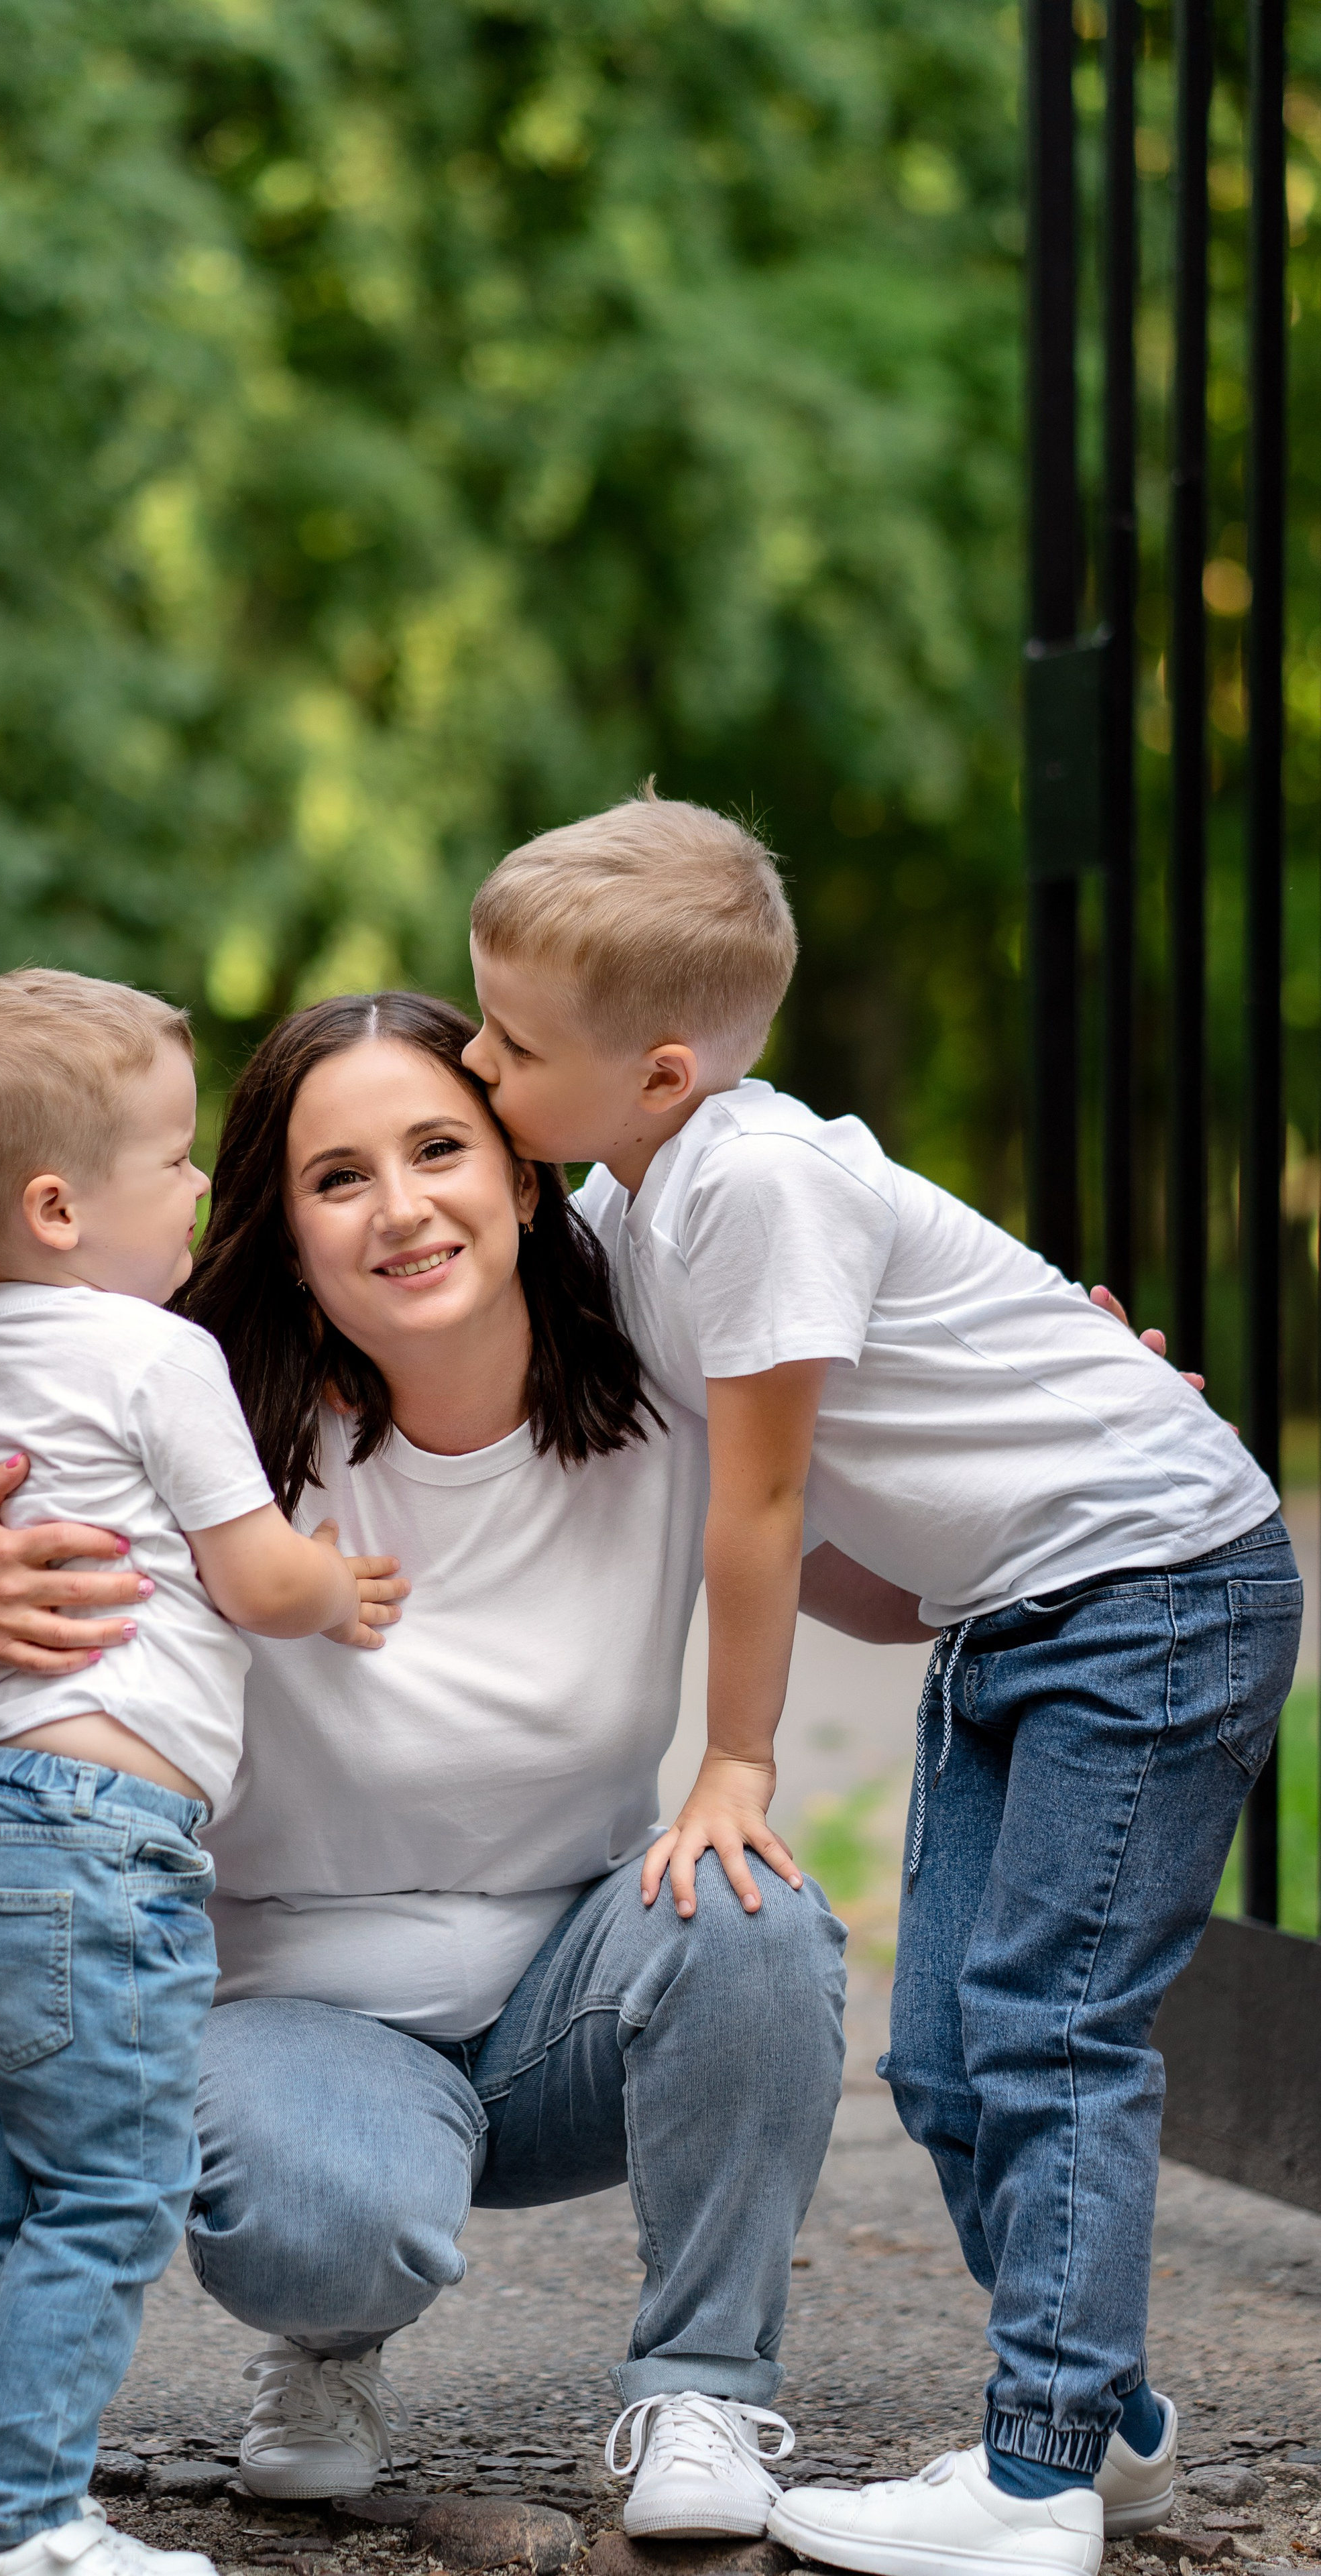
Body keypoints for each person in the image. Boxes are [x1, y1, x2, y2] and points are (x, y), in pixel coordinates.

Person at [0, 989, 909, 2547]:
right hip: (289, 2013)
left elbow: (884, 1577)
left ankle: (699, 2389)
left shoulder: (668, 1390)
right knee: (326, 2218)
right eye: (337, 1174)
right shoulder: (183, 1406)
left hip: (566, 1990)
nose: (401, 1205)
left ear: (521, 1173)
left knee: (752, 1916)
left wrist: (1073, 1442)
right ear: (279, 1222)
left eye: (438, 1147)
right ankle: (323, 2350)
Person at [461, 789, 1304, 2576]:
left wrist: (736, 1762)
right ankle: (1113, 2427)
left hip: (1149, 1588)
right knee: (947, 2057)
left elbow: (760, 1512)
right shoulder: (638, 1216)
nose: (478, 1060)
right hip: (1022, 1605)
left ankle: (1035, 2482)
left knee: (1047, 2033)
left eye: (511, 1042)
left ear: (664, 1070)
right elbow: (840, 1556)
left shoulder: (750, 1185)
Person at [0, 970, 408, 2576]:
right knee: (112, 2188)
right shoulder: (154, 1359)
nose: (200, 1188)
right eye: (173, 1157)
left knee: (3, 2188)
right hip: (97, 1842)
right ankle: (19, 2530)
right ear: (58, 1203)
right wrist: (339, 1586)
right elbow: (251, 1573)